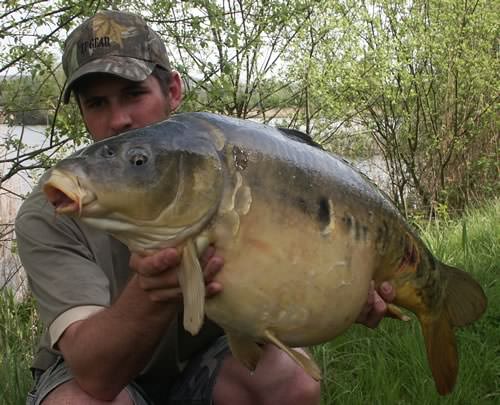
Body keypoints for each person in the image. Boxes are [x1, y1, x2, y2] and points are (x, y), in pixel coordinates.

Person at [16, 10, 395, 405]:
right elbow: (96, 375)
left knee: (289, 380)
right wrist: (152, 290)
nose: (119, 120)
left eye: (134, 94)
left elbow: (289, 295)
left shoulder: (238, 174)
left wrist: (347, 295)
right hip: (104, 379)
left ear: (173, 91)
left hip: (204, 363)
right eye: (97, 103)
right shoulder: (53, 209)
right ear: (82, 113)